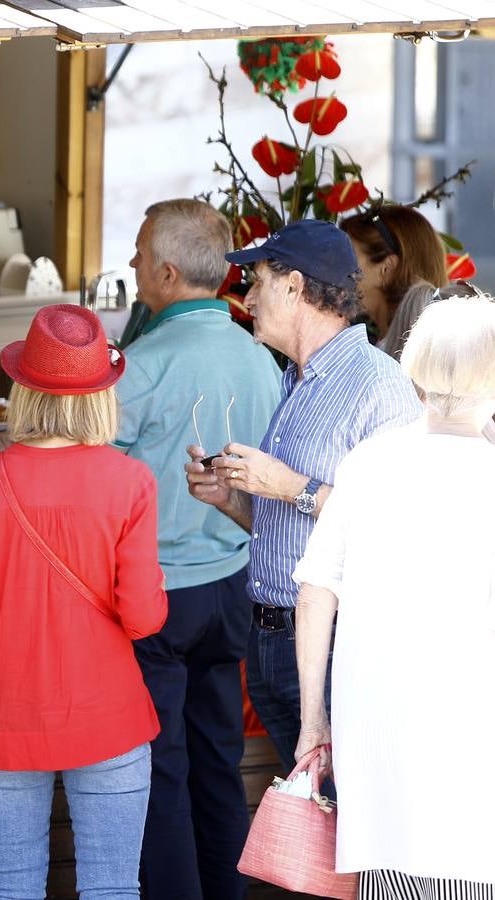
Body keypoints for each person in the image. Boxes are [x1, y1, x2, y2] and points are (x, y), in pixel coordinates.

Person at [0, 304, 168, 898]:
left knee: (13, 887)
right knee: (112, 887)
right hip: (108, 715)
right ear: (101, 395)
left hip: (6, 717)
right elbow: (144, 619)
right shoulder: (131, 481)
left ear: (25, 391)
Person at [184, 219, 422, 772]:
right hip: (271, 639)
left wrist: (288, 485)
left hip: (336, 643)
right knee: (313, 821)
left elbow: (397, 528)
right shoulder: (299, 379)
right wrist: (233, 499)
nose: (245, 297)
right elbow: (297, 527)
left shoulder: (375, 385)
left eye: (257, 281)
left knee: (342, 815)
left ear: (294, 287)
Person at [294, 295, 495, 897]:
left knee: (387, 879)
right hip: (474, 735)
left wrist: (312, 721)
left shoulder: (368, 464)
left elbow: (315, 592)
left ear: (418, 371)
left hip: (378, 734)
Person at [119, 199, 282, 899]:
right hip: (235, 584)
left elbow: (92, 469)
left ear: (163, 271)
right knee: (219, 759)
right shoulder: (261, 356)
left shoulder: (139, 363)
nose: (129, 266)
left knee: (161, 767)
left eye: (135, 255)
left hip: (159, 590)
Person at [339, 205, 447, 359]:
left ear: (387, 269)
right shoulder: (422, 349)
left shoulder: (405, 360)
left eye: (348, 257)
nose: (336, 268)